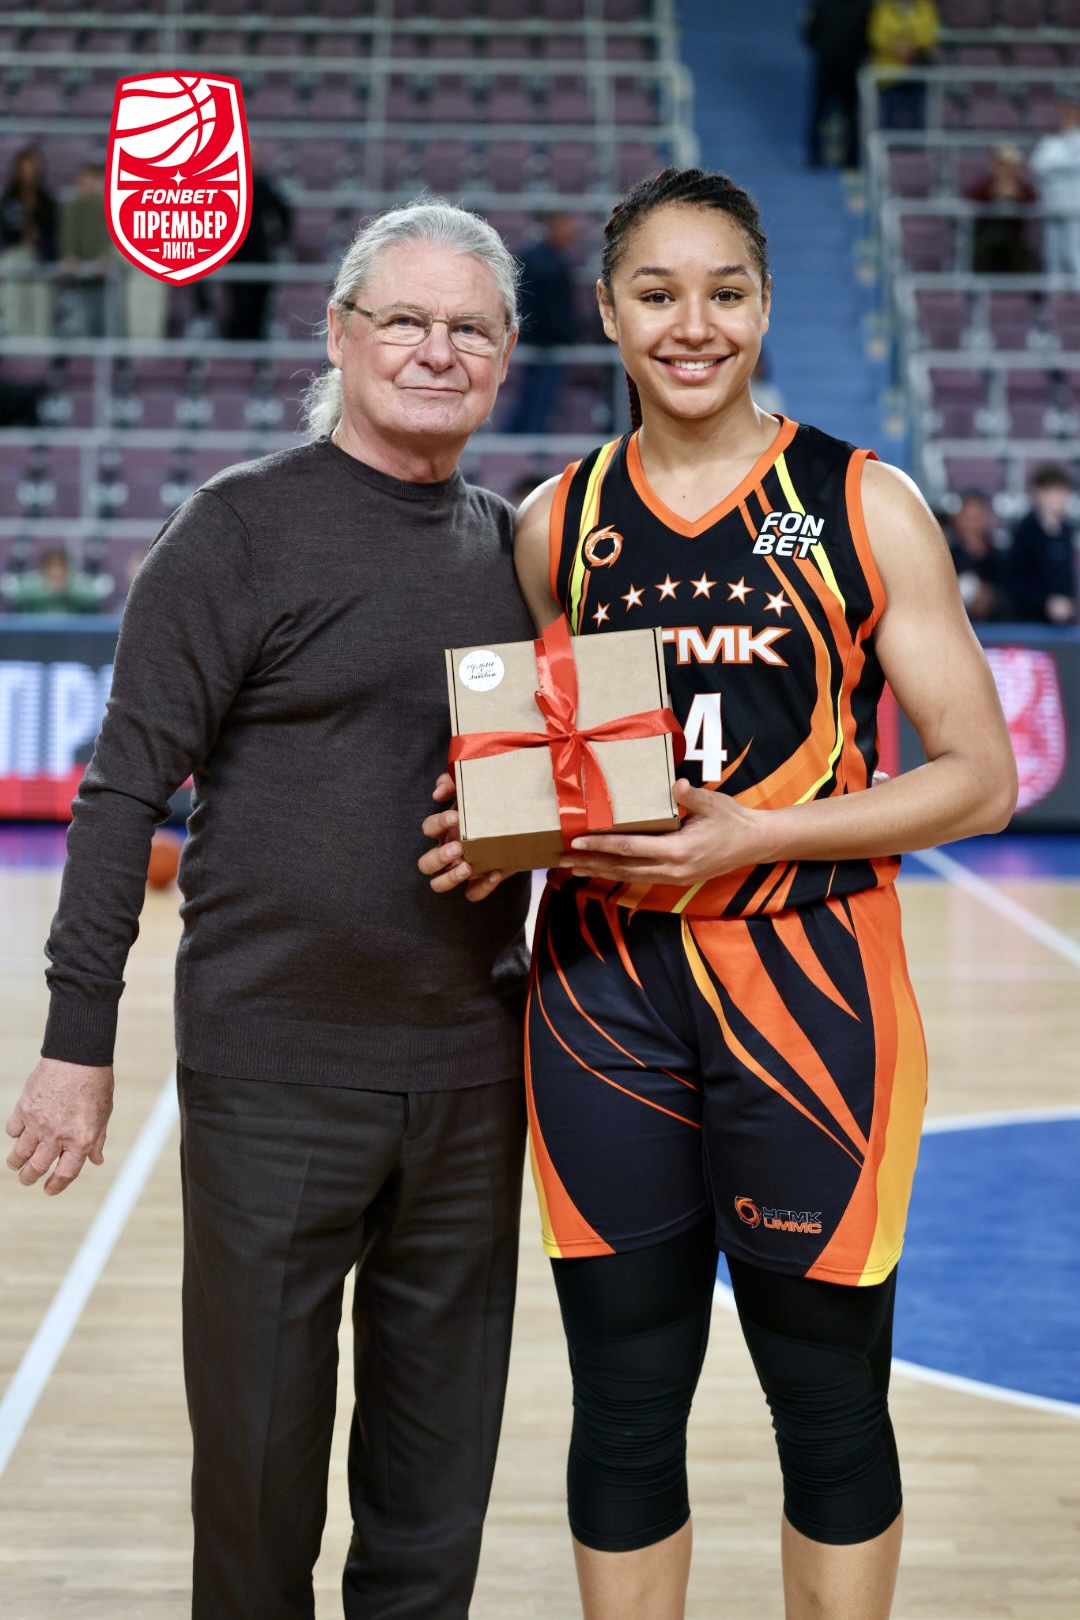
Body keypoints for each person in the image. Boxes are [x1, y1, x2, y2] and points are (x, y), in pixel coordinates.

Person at [421, 167, 1017, 1620]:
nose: (693, 325)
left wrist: (753, 837)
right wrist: (496, 827)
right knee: (625, 1401)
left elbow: (983, 780)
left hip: (810, 984)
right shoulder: (555, 523)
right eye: (658, 293)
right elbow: (550, 763)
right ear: (609, 314)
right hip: (602, 996)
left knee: (827, 1399)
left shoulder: (861, 505)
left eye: (725, 293)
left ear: (764, 305)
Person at [5, 199, 535, 1620]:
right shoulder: (236, 529)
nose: (436, 350)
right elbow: (121, 794)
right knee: (255, 1489)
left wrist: (524, 852)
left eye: (469, 327)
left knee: (435, 1498)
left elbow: (542, 795)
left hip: (474, 1076)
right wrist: (76, 1041)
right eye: (405, 320)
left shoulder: (517, 552)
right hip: (274, 1072)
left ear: (505, 358)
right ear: (340, 336)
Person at [506, 210, 580, 434]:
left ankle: (516, 441)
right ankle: (523, 445)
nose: (574, 231)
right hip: (544, 343)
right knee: (537, 402)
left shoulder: (548, 257)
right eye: (567, 224)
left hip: (541, 340)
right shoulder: (544, 261)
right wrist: (564, 335)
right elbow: (549, 308)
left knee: (533, 400)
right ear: (553, 225)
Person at [222, 154, 293, 341]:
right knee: (238, 301)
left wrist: (280, 238)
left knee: (258, 300)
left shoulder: (260, 185)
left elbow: (283, 210)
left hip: (256, 253)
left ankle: (253, 337)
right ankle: (238, 338)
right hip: (235, 255)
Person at [802, 0, 872, 171]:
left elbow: (810, 34)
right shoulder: (861, 6)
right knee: (834, 112)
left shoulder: (860, 6)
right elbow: (810, 34)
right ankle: (844, 159)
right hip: (840, 66)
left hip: (839, 66)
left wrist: (826, 51)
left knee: (836, 112)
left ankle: (825, 156)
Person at [1004, 463, 1078, 624]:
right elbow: (1013, 582)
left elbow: (1066, 577)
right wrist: (1046, 602)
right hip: (1030, 622)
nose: (1062, 498)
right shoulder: (1025, 531)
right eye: (1055, 491)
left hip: (1063, 623)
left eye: (1064, 491)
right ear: (1039, 493)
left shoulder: (1065, 529)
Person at [0, 146, 57, 337]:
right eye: (25, 169)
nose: (28, 174)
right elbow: (4, 233)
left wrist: (38, 238)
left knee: (41, 309)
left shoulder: (46, 201)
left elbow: (53, 235)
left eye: (32, 168)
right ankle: (16, 340)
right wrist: (19, 235)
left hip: (40, 258)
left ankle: (41, 343)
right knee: (14, 305)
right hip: (15, 255)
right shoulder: (9, 199)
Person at [966, 144, 1039, 275]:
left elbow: (1034, 205)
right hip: (985, 239)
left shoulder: (1024, 189)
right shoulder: (984, 186)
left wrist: (1017, 197)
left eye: (1010, 166)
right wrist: (993, 195)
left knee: (1026, 257)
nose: (1006, 171)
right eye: (1002, 165)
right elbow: (971, 204)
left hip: (1015, 240)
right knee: (983, 248)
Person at [60, 160, 114, 337]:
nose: (88, 184)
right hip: (78, 276)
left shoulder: (109, 208)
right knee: (79, 320)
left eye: (92, 179)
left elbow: (110, 239)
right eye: (84, 180)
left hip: (105, 277)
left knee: (103, 320)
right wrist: (70, 256)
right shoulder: (73, 207)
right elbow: (68, 237)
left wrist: (105, 258)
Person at [867, 0, 940, 131]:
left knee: (919, 120)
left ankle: (918, 144)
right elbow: (876, 35)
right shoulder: (883, 7)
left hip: (917, 72)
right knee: (887, 121)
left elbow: (930, 34)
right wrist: (894, 47)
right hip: (888, 74)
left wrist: (912, 48)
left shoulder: (925, 7)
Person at [1030, 100, 1080, 277]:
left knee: (1073, 252)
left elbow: (1052, 165)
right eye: (1066, 114)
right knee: (1052, 254)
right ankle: (1052, 291)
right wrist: (1068, 166)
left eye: (1073, 114)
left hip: (1075, 209)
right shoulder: (1050, 142)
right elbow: (1038, 165)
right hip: (1052, 205)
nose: (1069, 118)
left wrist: (1056, 166)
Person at [945, 489, 1009, 620]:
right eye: (967, 518)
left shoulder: (1001, 559)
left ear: (987, 519)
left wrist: (991, 597)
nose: (972, 524)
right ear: (957, 520)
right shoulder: (945, 558)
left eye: (977, 518)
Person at [2, 546, 107, 613]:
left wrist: (65, 589)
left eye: (60, 566)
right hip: (36, 633)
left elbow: (91, 597)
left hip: (73, 634)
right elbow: (18, 596)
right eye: (52, 566)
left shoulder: (77, 581)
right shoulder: (34, 581)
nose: (56, 570)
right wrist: (47, 590)